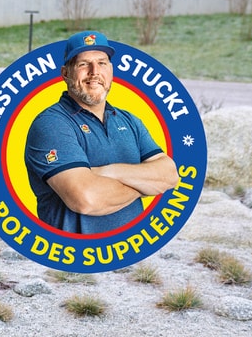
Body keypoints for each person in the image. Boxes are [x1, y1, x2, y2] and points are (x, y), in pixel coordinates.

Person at [26, 30, 179, 234]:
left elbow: (169, 175)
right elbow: (86, 199)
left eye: (102, 63)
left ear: (111, 70)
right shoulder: (51, 124)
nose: (94, 72)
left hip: (131, 251)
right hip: (73, 258)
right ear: (65, 73)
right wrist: (145, 185)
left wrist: (106, 171)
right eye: (83, 64)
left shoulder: (130, 121)